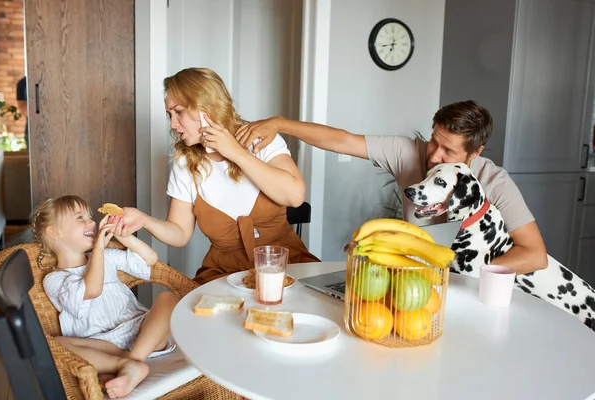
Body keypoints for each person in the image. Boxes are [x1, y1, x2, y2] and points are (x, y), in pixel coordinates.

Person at [235, 100, 548, 275]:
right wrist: (280, 123)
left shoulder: (495, 182)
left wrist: (468, 275)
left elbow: (535, 256)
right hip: (416, 277)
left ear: (475, 153)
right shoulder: (407, 152)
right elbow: (343, 140)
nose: (434, 156)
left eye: (448, 151)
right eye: (433, 141)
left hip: (473, 286)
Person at [121, 68, 319, 285]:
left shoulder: (261, 138)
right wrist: (145, 220)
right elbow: (180, 233)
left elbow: (294, 196)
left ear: (205, 106)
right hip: (224, 276)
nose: (173, 124)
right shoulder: (185, 163)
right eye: (169, 115)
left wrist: (234, 152)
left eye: (179, 112)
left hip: (285, 264)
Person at [32, 195, 179, 398]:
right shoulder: (55, 279)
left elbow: (150, 259)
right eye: (80, 217)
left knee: (168, 299)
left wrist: (125, 237)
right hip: (103, 346)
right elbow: (92, 290)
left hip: (141, 332)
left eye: (90, 216)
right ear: (55, 232)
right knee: (55, 343)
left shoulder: (107, 257)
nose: (91, 222)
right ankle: (124, 364)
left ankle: (134, 362)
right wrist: (99, 247)